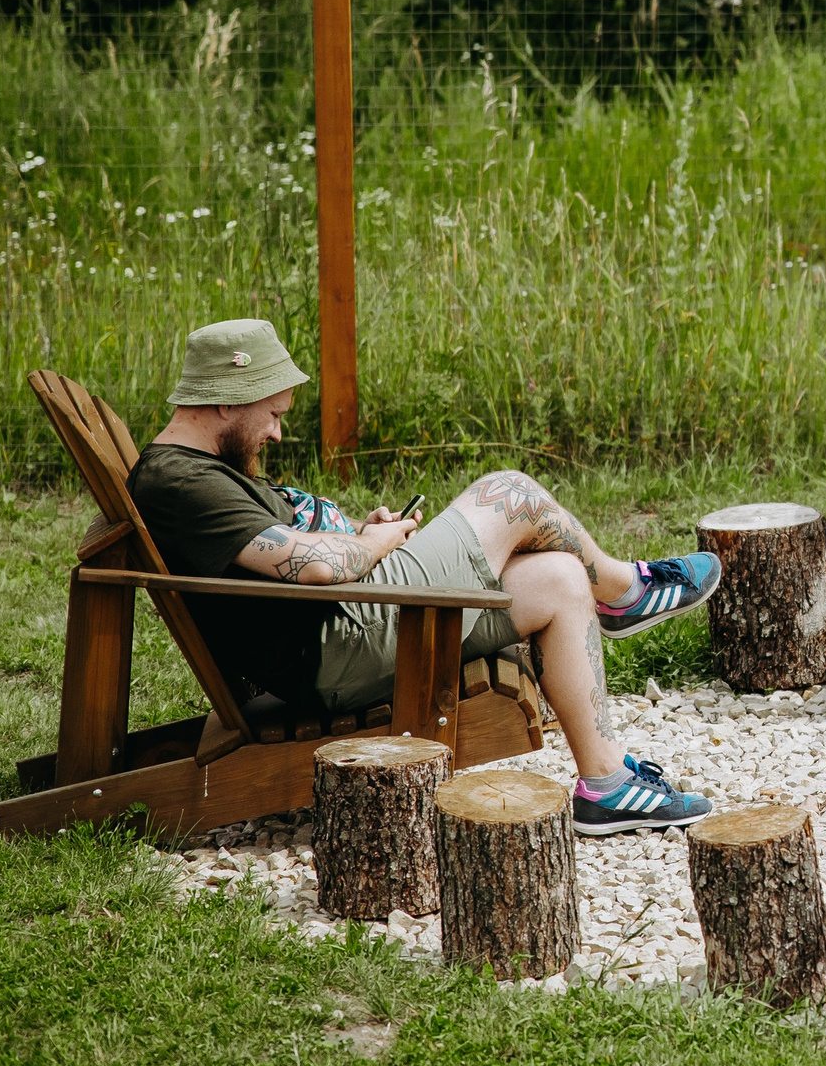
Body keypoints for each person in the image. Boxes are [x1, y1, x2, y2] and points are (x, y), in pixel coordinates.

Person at [127, 318, 725, 834]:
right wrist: (374, 542)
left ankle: (606, 785)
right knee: (508, 493)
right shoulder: (181, 482)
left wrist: (358, 535)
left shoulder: (200, 468)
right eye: (273, 414)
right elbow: (309, 567)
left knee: (560, 578)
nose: (277, 432)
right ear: (229, 400)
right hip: (341, 640)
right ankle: (624, 593)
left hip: (351, 618)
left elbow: (287, 553)